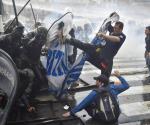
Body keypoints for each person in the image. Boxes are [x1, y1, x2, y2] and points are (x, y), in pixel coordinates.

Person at [62, 70, 129, 123]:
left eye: (97, 80)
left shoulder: (95, 93)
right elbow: (126, 85)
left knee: (87, 104)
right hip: (116, 117)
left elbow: (83, 104)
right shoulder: (113, 88)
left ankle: (97, 118)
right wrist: (119, 76)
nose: (95, 81)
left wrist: (71, 112)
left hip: (102, 120)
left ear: (100, 82)